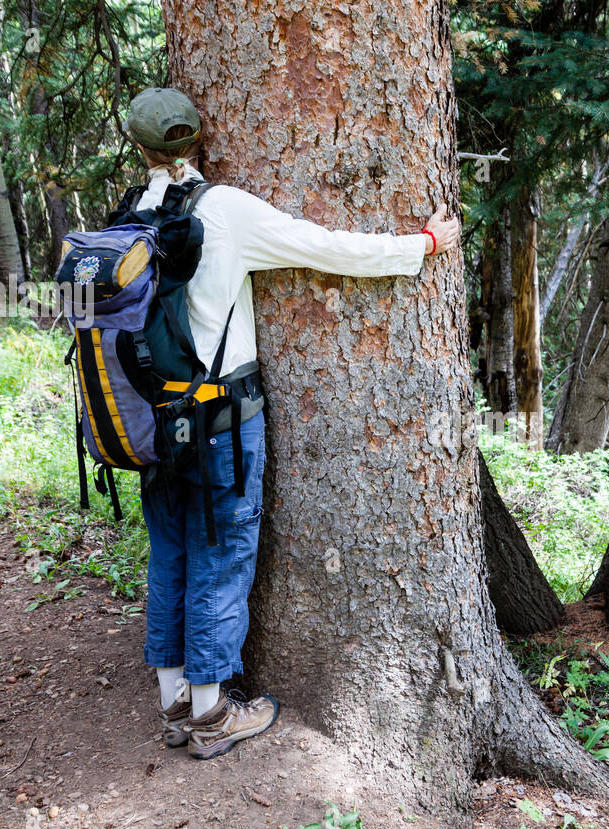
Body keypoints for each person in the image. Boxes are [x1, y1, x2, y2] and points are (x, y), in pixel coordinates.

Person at [122, 87, 461, 759]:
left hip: (153, 421)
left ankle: (173, 702)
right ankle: (214, 716)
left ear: (141, 148)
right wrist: (418, 244)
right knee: (222, 553)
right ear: (198, 140)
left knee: (173, 551)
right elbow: (322, 246)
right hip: (221, 417)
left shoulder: (129, 218)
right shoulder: (225, 210)